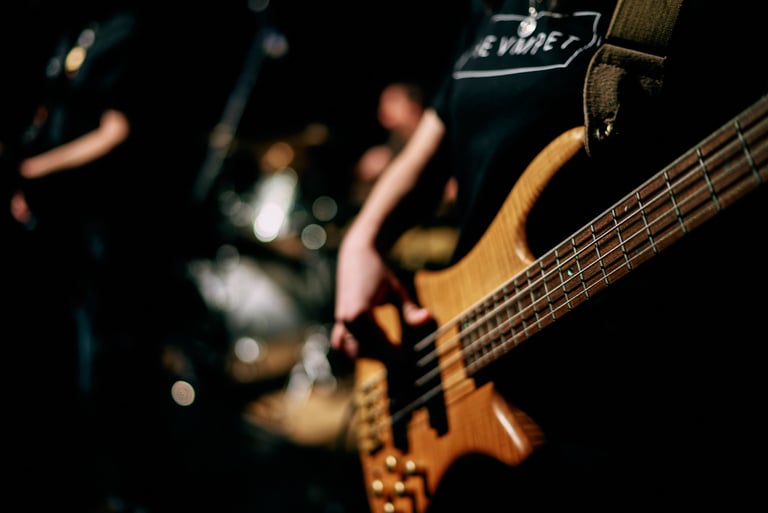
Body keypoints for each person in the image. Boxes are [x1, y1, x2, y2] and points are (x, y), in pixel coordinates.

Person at [331, 1, 767, 511]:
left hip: (613, 417)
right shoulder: (493, 9)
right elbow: (434, 141)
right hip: (450, 362)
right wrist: (359, 241)